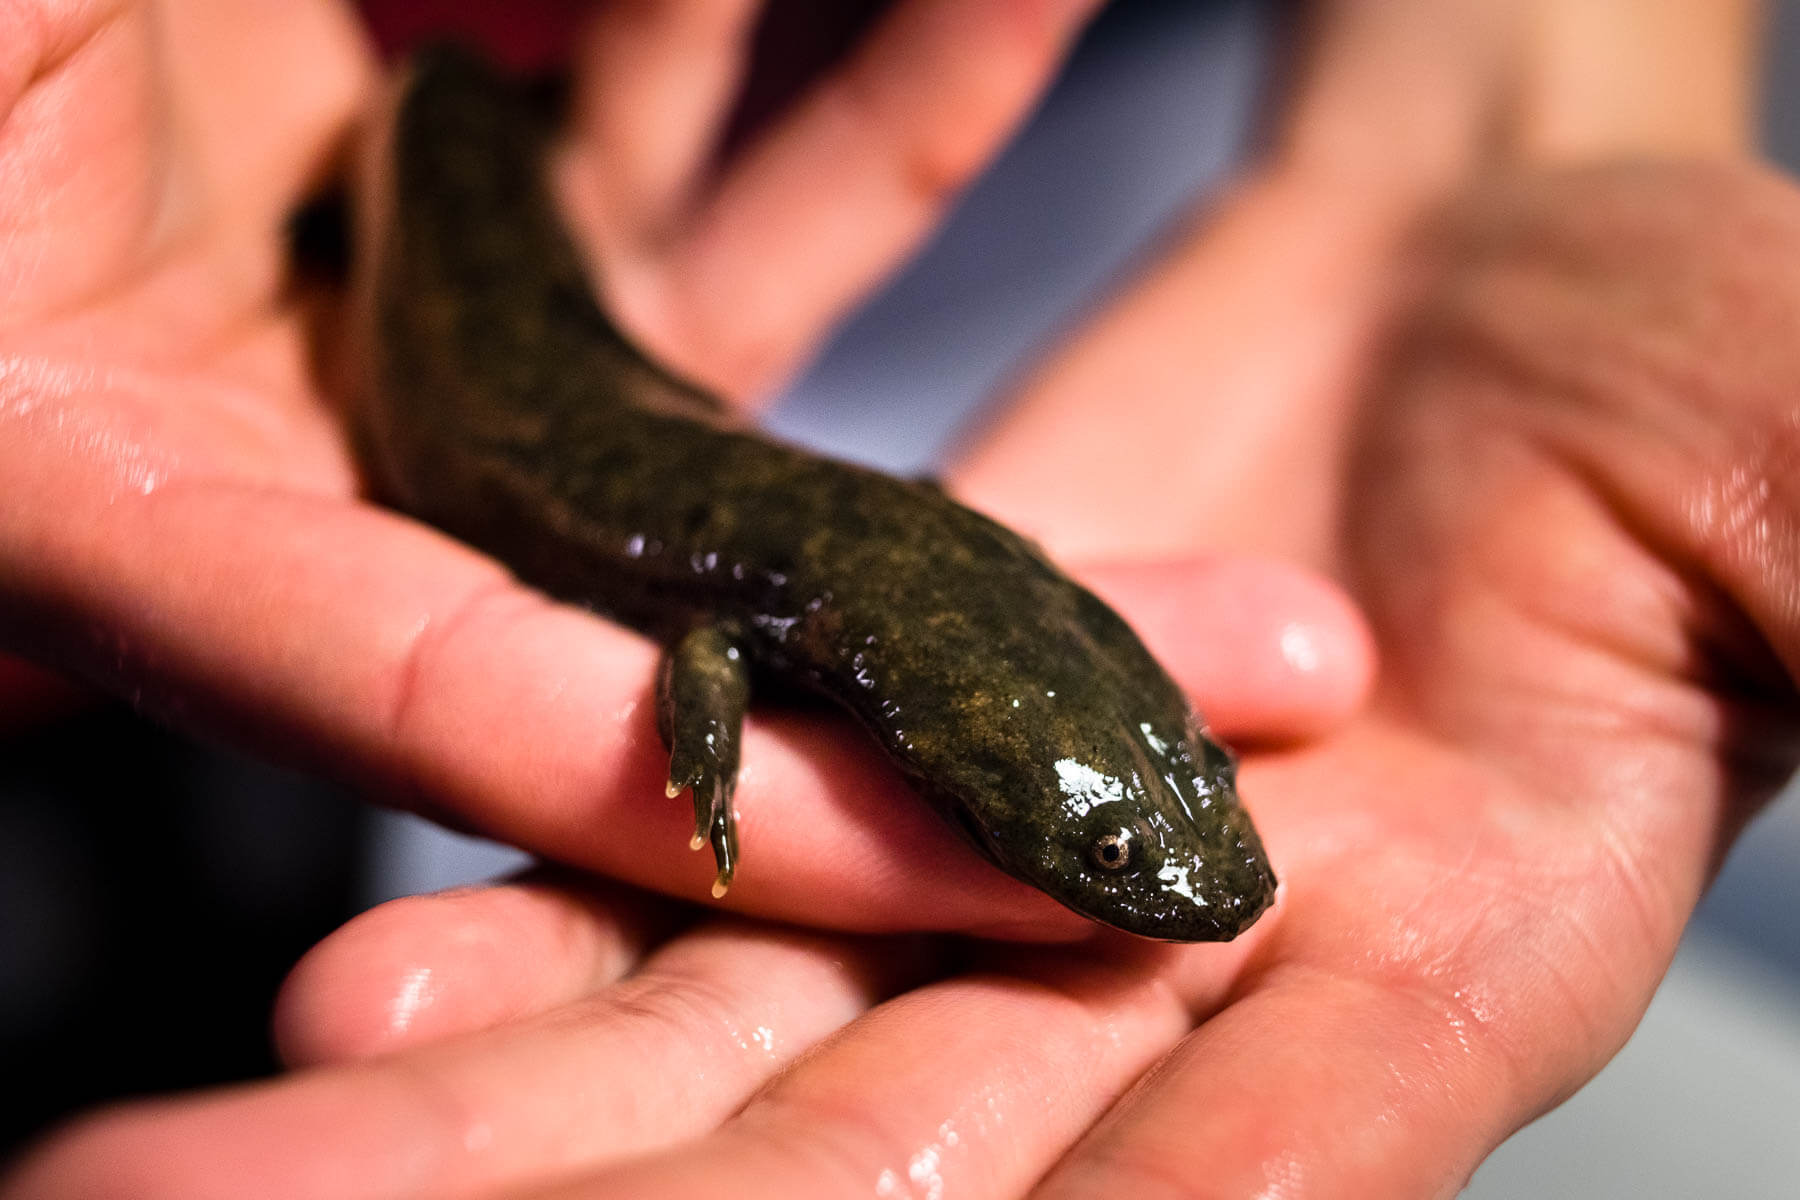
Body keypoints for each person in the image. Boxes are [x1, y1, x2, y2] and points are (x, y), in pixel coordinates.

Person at [3, 0, 1793, 1195]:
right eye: (1104, 856)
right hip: (278, 157)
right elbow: (707, 639)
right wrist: (695, 767)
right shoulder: (795, 606)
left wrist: (1550, 105)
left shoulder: (892, 585)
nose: (1185, 878)